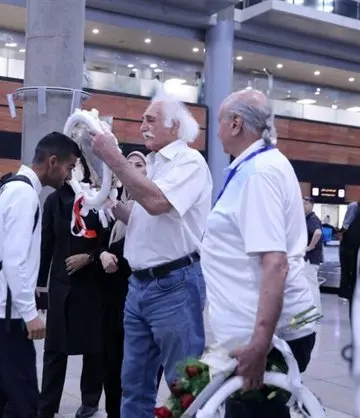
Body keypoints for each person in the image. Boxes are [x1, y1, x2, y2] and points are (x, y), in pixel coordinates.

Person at [91, 92, 211, 416]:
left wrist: (115, 158)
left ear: (174, 125)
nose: (142, 126)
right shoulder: (155, 165)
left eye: (150, 119)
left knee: (186, 387)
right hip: (140, 285)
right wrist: (112, 204)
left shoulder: (190, 162)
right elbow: (144, 217)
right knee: (134, 385)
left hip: (175, 284)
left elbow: (158, 203)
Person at [201, 89, 316, 418]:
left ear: (236, 123)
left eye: (220, 122)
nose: (216, 131)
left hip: (266, 335)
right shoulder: (256, 167)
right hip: (251, 328)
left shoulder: (259, 174)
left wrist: (260, 344)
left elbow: (275, 263)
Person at [0, 132, 80, 418]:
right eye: (69, 167)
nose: (69, 176)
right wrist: (30, 314)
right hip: (4, 316)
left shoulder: (11, 185)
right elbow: (14, 261)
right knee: (24, 401)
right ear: (53, 161)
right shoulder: (24, 195)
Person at [99, 150, 162, 418]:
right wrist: (101, 253)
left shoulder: (152, 208)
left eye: (140, 165)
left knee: (141, 369)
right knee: (112, 364)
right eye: (129, 164)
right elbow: (98, 242)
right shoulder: (114, 207)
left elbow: (142, 238)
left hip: (142, 295)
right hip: (113, 299)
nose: (133, 168)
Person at [37, 177, 107, 418]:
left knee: (94, 346)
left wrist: (89, 257)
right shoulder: (54, 200)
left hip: (93, 283)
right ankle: (47, 404)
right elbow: (46, 243)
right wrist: (40, 284)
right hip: (61, 283)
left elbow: (107, 241)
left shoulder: (97, 199)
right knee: (55, 346)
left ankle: (90, 400)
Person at [303, 196, 323, 316]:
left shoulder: (312, 219)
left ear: (311, 205)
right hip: (310, 258)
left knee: (312, 286)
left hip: (311, 259)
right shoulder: (307, 218)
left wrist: (310, 247)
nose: (303, 206)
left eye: (305, 204)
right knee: (309, 285)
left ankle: (315, 314)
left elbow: (318, 232)